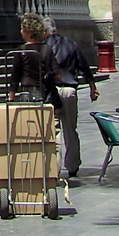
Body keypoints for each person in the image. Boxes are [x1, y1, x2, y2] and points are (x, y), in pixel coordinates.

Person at [43, 16, 99, 177]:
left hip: (51, 91)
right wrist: (92, 87)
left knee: (54, 130)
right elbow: (84, 66)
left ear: (44, 32)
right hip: (69, 90)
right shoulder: (71, 43)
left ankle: (54, 167)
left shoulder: (43, 47)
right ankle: (73, 165)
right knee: (70, 129)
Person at [9, 13, 58, 101]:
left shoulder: (20, 51)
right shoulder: (47, 49)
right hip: (43, 92)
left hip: (26, 93)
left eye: (22, 29)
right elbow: (57, 74)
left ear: (27, 32)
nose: (21, 31)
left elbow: (15, 77)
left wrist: (11, 97)